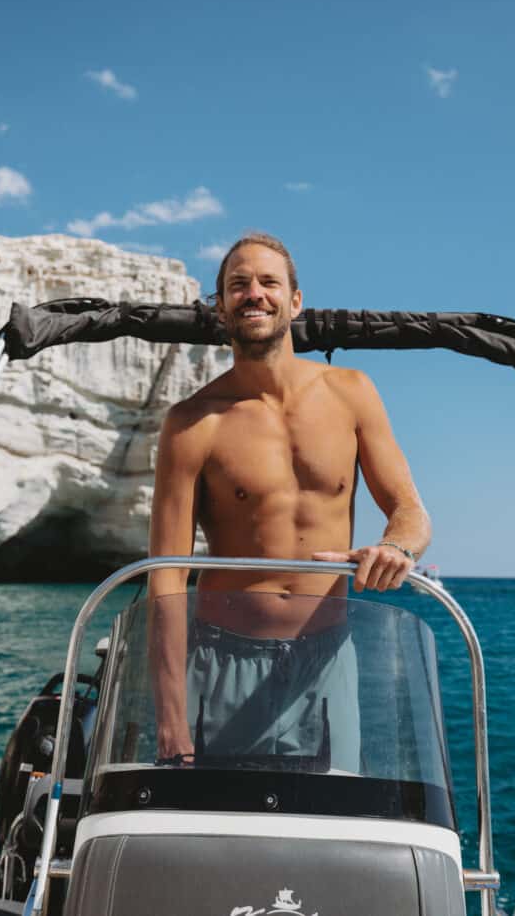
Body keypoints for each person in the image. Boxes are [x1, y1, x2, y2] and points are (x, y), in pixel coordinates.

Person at [148, 233, 431, 768]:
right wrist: (170, 717)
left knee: (331, 832)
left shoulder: (352, 392)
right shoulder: (191, 422)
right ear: (220, 308)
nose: (253, 293)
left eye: (268, 282)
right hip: (221, 661)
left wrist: (397, 548)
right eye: (238, 285)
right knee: (219, 837)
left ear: (295, 301)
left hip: (327, 658)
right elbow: (166, 575)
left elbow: (410, 512)